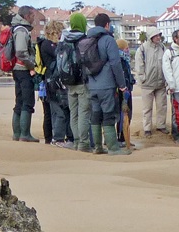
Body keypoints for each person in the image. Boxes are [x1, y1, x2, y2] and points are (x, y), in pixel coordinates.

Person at [84, 13, 128, 155]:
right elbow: (116, 64)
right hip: (107, 84)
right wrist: (122, 84)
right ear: (107, 24)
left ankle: (98, 147)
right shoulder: (108, 40)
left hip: (92, 84)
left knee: (95, 116)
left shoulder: (88, 39)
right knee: (108, 115)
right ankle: (113, 147)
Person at [62, 13, 94, 152]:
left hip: (68, 82)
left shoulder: (64, 40)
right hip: (82, 81)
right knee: (84, 113)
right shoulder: (85, 40)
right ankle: (83, 143)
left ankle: (75, 142)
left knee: (73, 113)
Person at [9, 9, 39, 142]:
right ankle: (24, 134)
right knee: (27, 102)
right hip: (23, 69)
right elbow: (21, 51)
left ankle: (17, 133)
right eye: (33, 15)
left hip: (17, 69)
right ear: (27, 16)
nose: (34, 18)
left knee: (19, 101)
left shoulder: (16, 28)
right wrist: (31, 65)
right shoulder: (22, 30)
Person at [39, 24, 71, 146]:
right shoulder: (47, 44)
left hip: (53, 81)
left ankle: (58, 137)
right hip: (52, 81)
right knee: (58, 112)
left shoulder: (48, 44)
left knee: (57, 112)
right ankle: (56, 138)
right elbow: (58, 55)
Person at [133, 30, 169, 136]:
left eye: (159, 35)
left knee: (162, 106)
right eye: (156, 35)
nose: (158, 37)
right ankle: (147, 128)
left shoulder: (162, 48)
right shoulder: (143, 49)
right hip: (147, 83)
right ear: (151, 37)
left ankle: (161, 125)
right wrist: (143, 78)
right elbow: (139, 65)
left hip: (160, 83)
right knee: (147, 108)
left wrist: (166, 79)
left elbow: (167, 63)